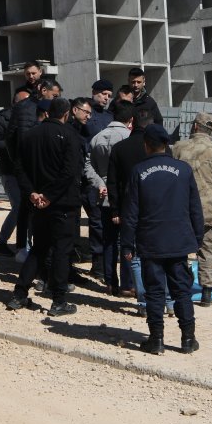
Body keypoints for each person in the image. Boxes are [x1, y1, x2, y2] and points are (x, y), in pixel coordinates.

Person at [121, 124, 203, 355]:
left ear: (146, 145)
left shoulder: (138, 172)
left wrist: (127, 243)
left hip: (150, 241)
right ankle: (188, 339)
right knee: (182, 292)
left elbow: (131, 213)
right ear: (166, 144)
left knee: (155, 292)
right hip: (178, 241)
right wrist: (197, 238)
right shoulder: (184, 170)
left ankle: (156, 339)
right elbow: (195, 208)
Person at [7, 98, 83, 317]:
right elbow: (69, 172)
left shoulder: (30, 135)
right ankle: (58, 300)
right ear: (67, 114)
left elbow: (19, 168)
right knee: (61, 250)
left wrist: (33, 193)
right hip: (62, 202)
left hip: (37, 201)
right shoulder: (70, 136)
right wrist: (49, 196)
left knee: (39, 248)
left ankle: (19, 294)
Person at [107, 108, 171, 316]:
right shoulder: (164, 150)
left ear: (132, 122)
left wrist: (115, 209)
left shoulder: (120, 148)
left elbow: (113, 182)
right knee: (164, 256)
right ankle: (169, 302)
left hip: (129, 209)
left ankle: (144, 303)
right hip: (160, 211)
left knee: (134, 257)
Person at [172, 112, 212, 307]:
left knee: (178, 249)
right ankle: (207, 293)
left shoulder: (179, 148)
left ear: (195, 126)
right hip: (210, 209)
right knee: (208, 251)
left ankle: (180, 287)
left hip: (182, 207)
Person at [6, 78, 62, 255]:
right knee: (26, 206)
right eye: (54, 95)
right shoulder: (23, 108)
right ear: (43, 90)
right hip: (28, 165)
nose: (56, 99)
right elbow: (10, 138)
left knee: (37, 207)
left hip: (40, 165)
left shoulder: (47, 109)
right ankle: (23, 247)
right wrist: (18, 161)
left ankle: (33, 248)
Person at [91, 102, 133, 294]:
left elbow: (87, 164)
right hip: (123, 196)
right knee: (126, 241)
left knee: (108, 240)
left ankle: (109, 281)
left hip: (104, 194)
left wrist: (99, 182)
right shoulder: (130, 139)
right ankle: (127, 283)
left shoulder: (97, 137)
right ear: (130, 120)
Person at [0, 89, 31, 255]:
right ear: (15, 103)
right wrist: (12, 146)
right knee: (19, 206)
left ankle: (26, 245)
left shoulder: (31, 118)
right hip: (10, 170)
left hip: (26, 171)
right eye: (23, 102)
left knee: (27, 208)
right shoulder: (4, 118)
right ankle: (1, 242)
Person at [69, 97, 107, 279]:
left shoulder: (87, 129)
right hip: (73, 183)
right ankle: (70, 261)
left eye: (91, 113)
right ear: (75, 110)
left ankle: (98, 265)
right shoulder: (69, 130)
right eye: (86, 112)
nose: (89, 116)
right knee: (71, 223)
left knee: (96, 221)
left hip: (88, 182)